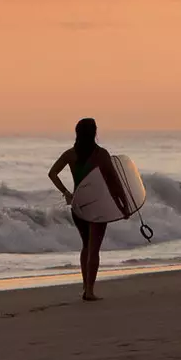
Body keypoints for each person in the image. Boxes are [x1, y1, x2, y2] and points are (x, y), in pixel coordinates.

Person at [48, 117, 113, 301]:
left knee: (86, 246)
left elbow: (52, 173)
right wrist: (123, 206)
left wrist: (67, 193)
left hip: (78, 206)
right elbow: (113, 182)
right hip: (98, 206)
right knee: (94, 250)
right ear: (94, 133)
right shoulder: (102, 155)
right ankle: (90, 291)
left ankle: (86, 287)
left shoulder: (70, 154)